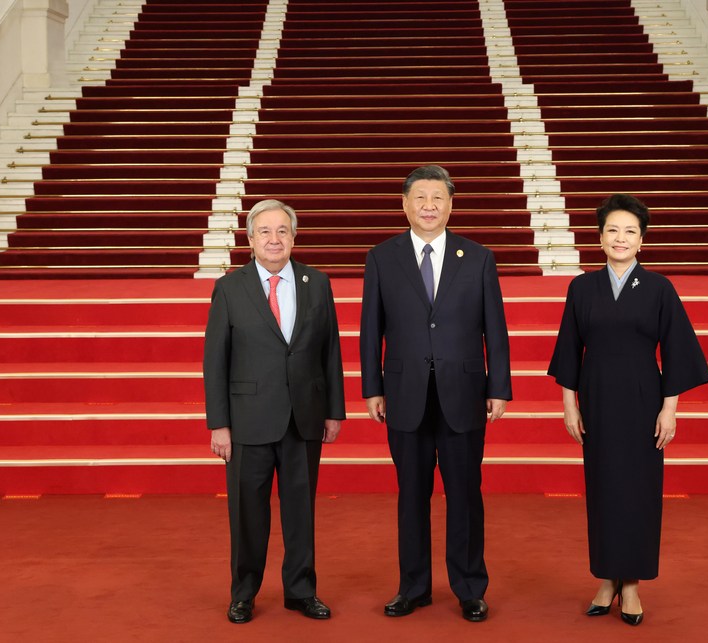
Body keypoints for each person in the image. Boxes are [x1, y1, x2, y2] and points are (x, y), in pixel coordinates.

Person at [548, 193, 708, 626]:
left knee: (638, 493)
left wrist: (669, 410)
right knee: (602, 490)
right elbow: (568, 351)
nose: (621, 238)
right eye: (613, 230)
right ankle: (606, 578)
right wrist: (569, 405)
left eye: (630, 231)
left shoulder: (659, 288)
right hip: (596, 400)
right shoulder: (581, 287)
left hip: (644, 403)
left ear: (642, 241)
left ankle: (633, 583)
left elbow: (677, 352)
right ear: (599, 238)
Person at [360, 164, 512, 623]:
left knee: (465, 493)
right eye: (420, 198)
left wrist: (499, 387)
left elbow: (495, 330)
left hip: (464, 392)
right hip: (404, 393)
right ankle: (413, 587)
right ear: (404, 204)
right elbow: (371, 330)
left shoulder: (479, 257)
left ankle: (469, 588)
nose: (429, 206)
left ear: (450, 204)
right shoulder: (382, 257)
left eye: (437, 198)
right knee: (411, 495)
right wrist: (372, 387)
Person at [203, 199, 346, 624]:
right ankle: (244, 592)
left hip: (304, 418)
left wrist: (334, 410)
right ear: (249, 239)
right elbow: (216, 362)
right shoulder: (230, 287)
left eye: (282, 230)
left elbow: (330, 351)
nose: (274, 239)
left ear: (294, 236)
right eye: (264, 231)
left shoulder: (316, 283)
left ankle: (301, 591)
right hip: (247, 422)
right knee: (248, 513)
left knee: (301, 511)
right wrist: (219, 424)